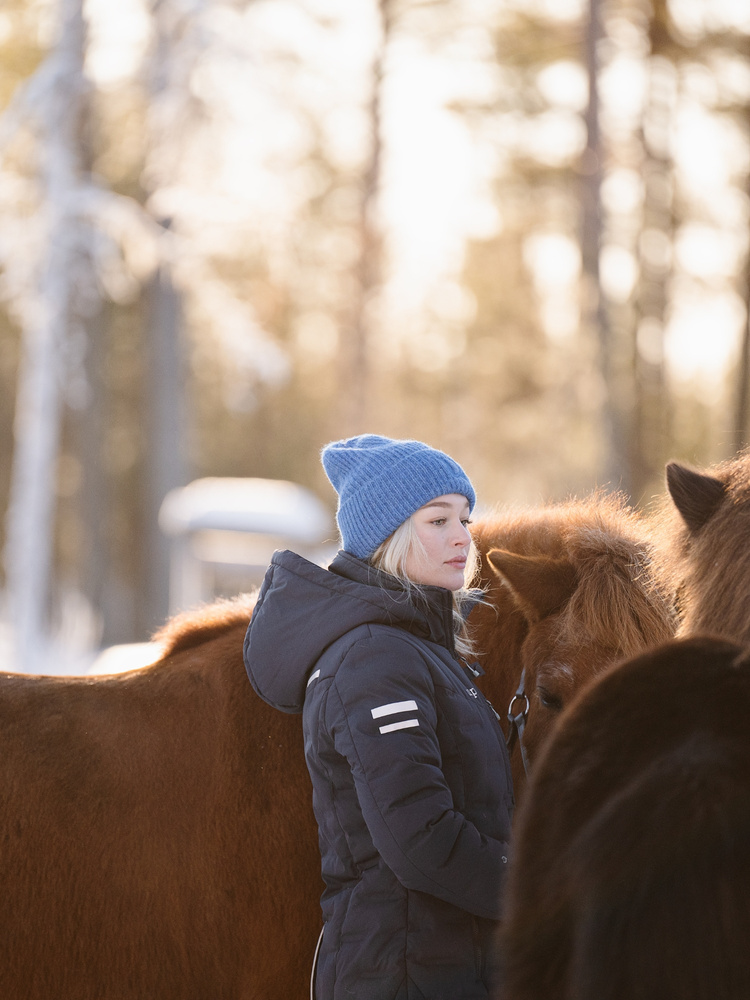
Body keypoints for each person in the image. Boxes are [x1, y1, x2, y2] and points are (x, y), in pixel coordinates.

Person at [244, 434, 514, 1000]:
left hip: (447, 966)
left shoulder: (423, 652)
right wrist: (548, 887)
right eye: (437, 521)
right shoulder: (374, 658)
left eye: (465, 518)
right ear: (387, 535)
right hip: (401, 974)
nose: (463, 537)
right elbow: (420, 839)